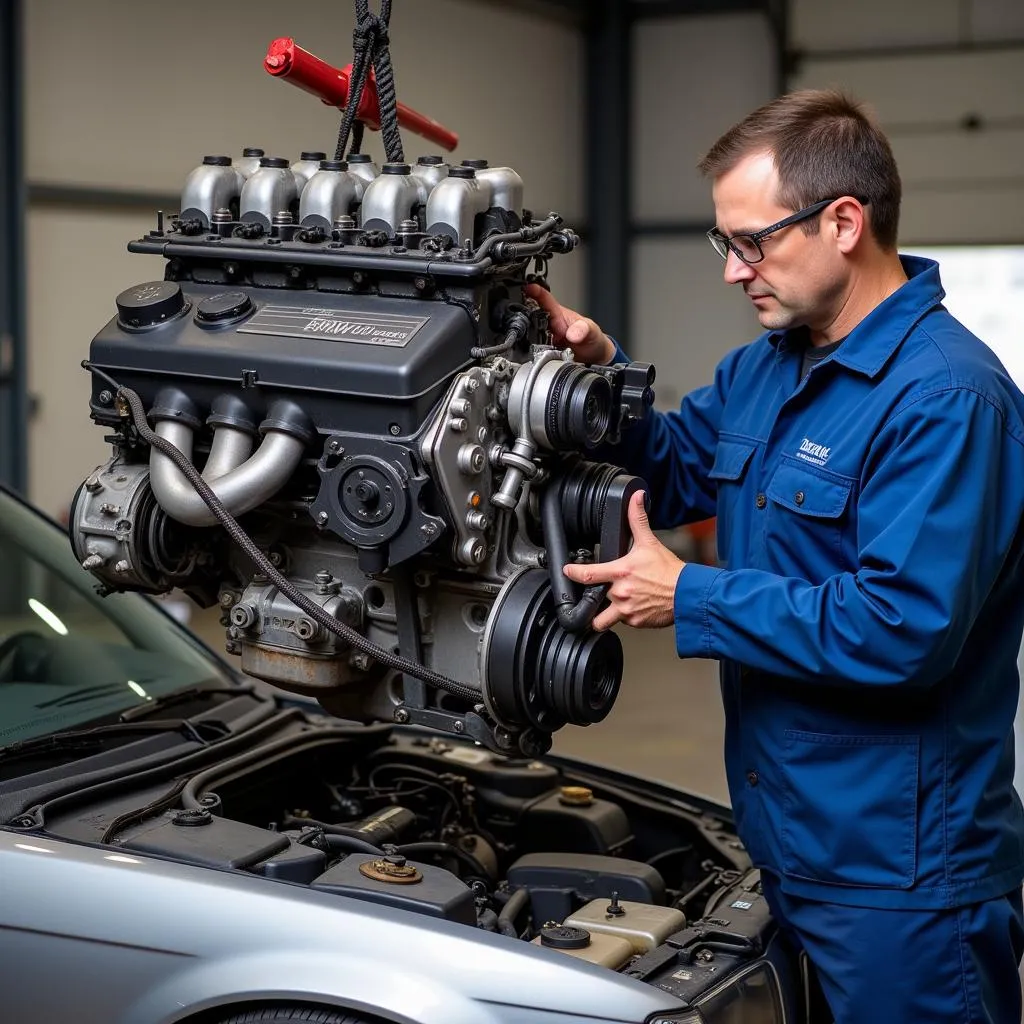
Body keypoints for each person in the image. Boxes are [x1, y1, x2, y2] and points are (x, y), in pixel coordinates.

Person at [526, 89, 1024, 1023]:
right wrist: (596, 377)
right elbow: (672, 474)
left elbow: (901, 629)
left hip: (902, 883)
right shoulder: (766, 367)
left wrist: (692, 595)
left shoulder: (949, 402)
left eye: (750, 242)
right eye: (726, 244)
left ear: (844, 222)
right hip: (785, 845)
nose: (732, 271)